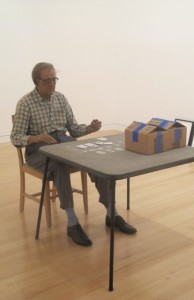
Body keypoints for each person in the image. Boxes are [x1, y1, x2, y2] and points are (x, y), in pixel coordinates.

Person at [11, 62, 137, 247]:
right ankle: (72, 222)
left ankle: (112, 214)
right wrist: (35, 138)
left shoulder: (61, 98)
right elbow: (15, 138)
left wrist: (90, 128)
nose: (52, 84)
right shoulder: (25, 103)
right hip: (38, 150)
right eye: (48, 80)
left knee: (96, 160)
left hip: (63, 142)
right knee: (58, 165)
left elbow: (74, 130)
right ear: (36, 81)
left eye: (55, 79)